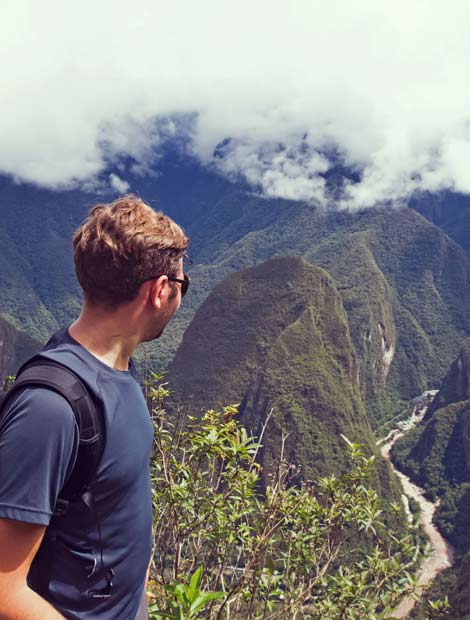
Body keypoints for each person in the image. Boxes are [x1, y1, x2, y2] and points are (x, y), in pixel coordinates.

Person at [0, 195, 189, 620]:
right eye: (182, 285)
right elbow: (3, 589)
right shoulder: (51, 408)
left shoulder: (120, 368)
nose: (181, 296)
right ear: (159, 291)